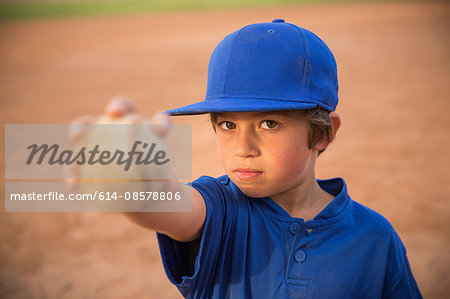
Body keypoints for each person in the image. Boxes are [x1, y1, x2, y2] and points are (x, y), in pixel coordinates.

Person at [117, 19, 422, 298]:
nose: (243, 147)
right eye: (228, 125)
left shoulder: (374, 237)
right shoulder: (221, 210)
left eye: (269, 124)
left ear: (324, 133)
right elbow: (169, 204)